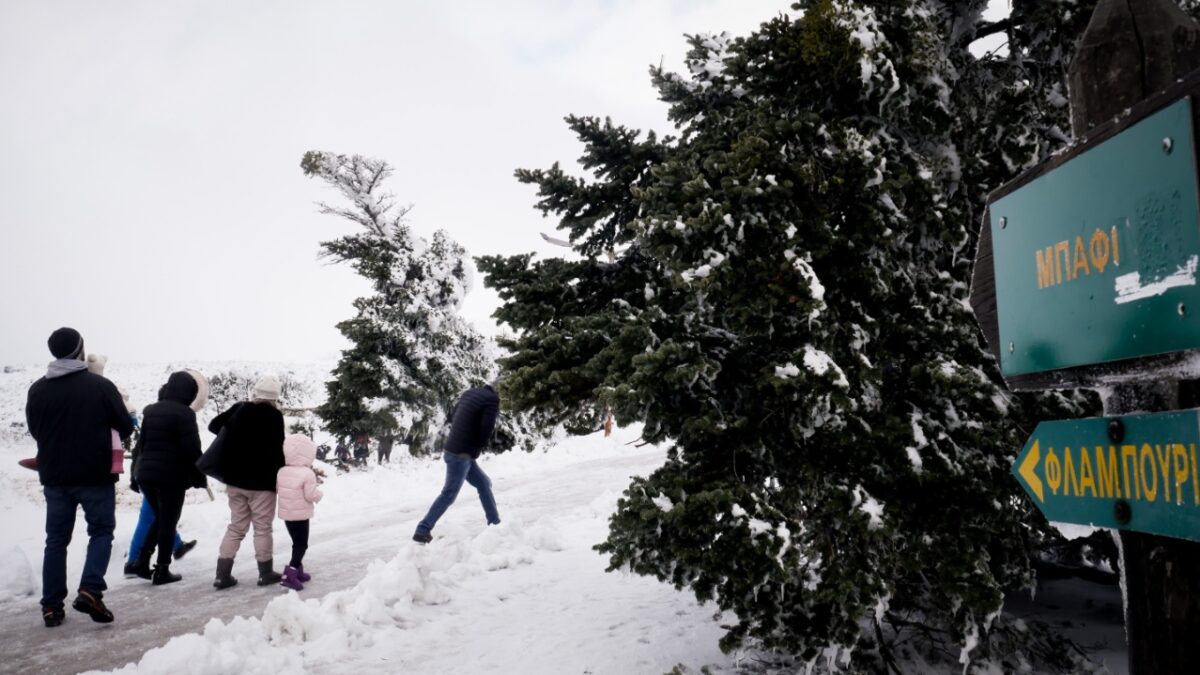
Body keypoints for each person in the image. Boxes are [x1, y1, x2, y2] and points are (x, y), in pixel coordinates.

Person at [25, 327, 133, 627]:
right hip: (95, 474)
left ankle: (51, 606)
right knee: (100, 531)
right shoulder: (98, 385)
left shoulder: (37, 389)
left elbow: (35, 430)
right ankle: (90, 590)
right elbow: (124, 426)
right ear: (80, 350)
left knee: (56, 540)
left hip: (55, 476)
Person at [206, 375, 286, 589]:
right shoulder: (275, 417)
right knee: (262, 528)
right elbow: (278, 451)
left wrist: (236, 432)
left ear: (255, 393)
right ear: (275, 397)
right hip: (262, 483)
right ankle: (265, 573)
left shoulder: (240, 409)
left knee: (236, 526)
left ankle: (222, 575)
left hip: (235, 480)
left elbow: (214, 426)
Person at [133, 371, 208, 584]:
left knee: (160, 518)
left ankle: (142, 562)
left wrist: (135, 474)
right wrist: (199, 475)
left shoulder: (151, 410)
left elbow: (143, 443)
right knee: (168, 521)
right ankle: (162, 569)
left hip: (146, 474)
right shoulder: (184, 414)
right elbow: (192, 448)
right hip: (171, 477)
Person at [412, 382, 501, 543]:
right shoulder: (492, 400)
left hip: (453, 449)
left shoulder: (470, 393)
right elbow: (487, 427)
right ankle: (423, 529)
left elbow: (454, 414)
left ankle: (495, 524)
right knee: (449, 494)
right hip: (462, 455)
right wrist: (477, 447)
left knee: (484, 483)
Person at [277, 434, 324, 590]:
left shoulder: (282, 471)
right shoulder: (307, 473)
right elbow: (310, 495)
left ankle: (298, 571)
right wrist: (319, 495)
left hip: (287, 515)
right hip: (301, 515)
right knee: (302, 544)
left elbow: (278, 489)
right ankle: (290, 574)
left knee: (296, 542)